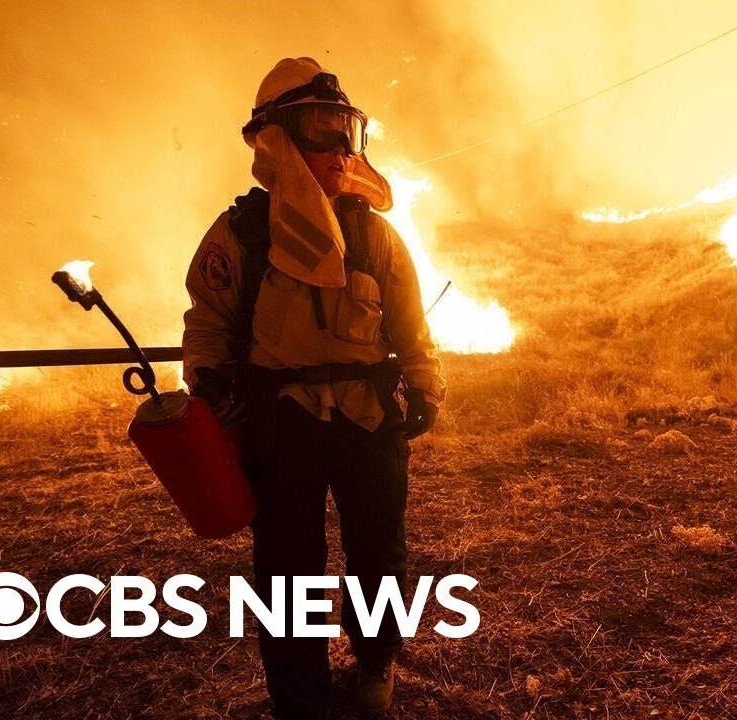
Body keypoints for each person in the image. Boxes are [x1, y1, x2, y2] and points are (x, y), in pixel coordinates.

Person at [181, 57, 445, 719]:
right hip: (282, 420)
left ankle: (375, 666)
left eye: (343, 130)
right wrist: (211, 386)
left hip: (367, 417)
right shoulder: (241, 235)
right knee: (288, 565)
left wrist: (424, 385)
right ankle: (300, 695)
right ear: (274, 139)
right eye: (317, 130)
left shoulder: (372, 234)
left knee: (378, 553)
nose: (336, 149)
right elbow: (207, 322)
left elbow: (411, 325)